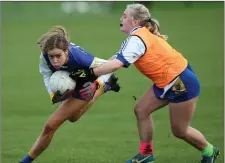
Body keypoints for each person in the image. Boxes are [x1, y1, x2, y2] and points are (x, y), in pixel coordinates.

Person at [75, 3, 220, 163]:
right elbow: (113, 61)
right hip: (168, 81)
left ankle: (209, 151)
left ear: (135, 22)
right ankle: (146, 154)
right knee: (141, 110)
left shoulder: (137, 39)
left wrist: (89, 74)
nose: (121, 18)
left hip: (181, 82)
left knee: (180, 130)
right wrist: (90, 74)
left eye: (125, 16)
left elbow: (116, 64)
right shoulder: (136, 37)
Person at [19, 26, 120, 163]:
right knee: (73, 117)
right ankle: (105, 87)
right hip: (70, 81)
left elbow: (112, 65)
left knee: (50, 126)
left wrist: (95, 84)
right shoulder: (44, 56)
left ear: (66, 51)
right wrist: (52, 94)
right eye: (51, 57)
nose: (54, 61)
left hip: (86, 82)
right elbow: (46, 74)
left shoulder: (81, 59)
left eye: (58, 56)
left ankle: (24, 161)